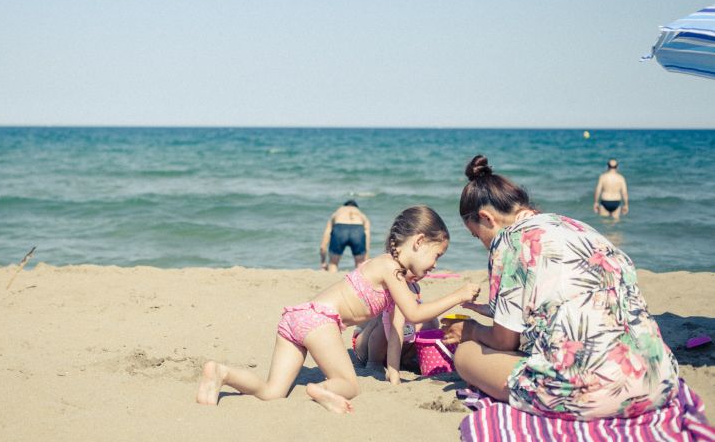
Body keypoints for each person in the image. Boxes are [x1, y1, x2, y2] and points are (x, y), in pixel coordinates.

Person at [444, 155, 678, 420]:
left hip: (593, 392)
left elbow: (503, 340)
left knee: (466, 355)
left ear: (487, 218)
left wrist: (470, 329)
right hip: (660, 380)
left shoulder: (508, 242)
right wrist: (495, 311)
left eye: (477, 235)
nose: (482, 243)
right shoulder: (577, 227)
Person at [197, 205, 481, 413]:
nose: (435, 265)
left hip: (296, 318)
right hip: (319, 323)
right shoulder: (390, 268)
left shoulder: (390, 271)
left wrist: (393, 373)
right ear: (419, 242)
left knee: (273, 393)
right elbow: (417, 315)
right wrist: (459, 294)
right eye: (437, 255)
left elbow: (396, 326)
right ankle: (320, 390)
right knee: (349, 384)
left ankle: (222, 373)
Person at [319, 200, 371, 272]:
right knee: (359, 264)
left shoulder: (337, 213)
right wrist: (366, 256)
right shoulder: (362, 215)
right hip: (358, 228)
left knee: (333, 263)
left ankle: (332, 280)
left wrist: (323, 262)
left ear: (344, 206)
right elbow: (367, 238)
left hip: (340, 227)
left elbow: (324, 240)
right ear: (356, 208)